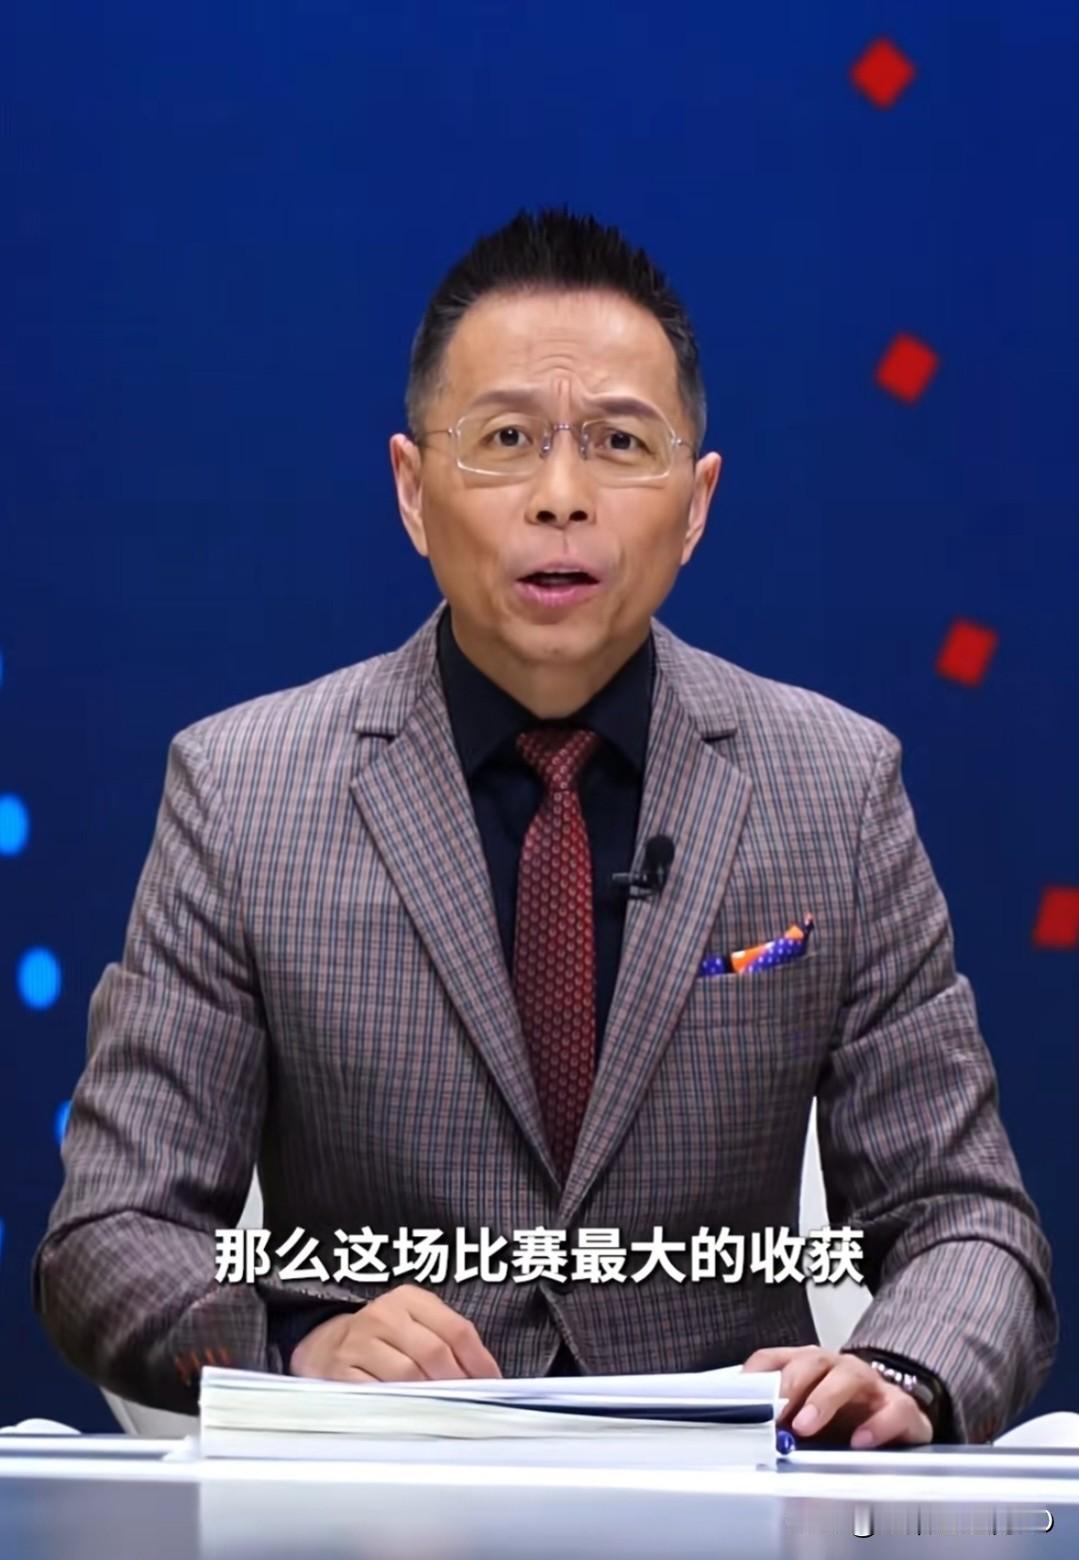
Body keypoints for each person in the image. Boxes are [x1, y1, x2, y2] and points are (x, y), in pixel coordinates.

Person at [34, 207, 1056, 1447]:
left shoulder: (833, 789)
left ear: (695, 503)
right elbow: (109, 1238)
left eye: (618, 443)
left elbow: (966, 1221)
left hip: (725, 1494)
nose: (560, 498)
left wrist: (900, 1371)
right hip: (380, 1495)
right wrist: (298, 1344)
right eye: (505, 440)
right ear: (412, 490)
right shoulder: (242, 791)